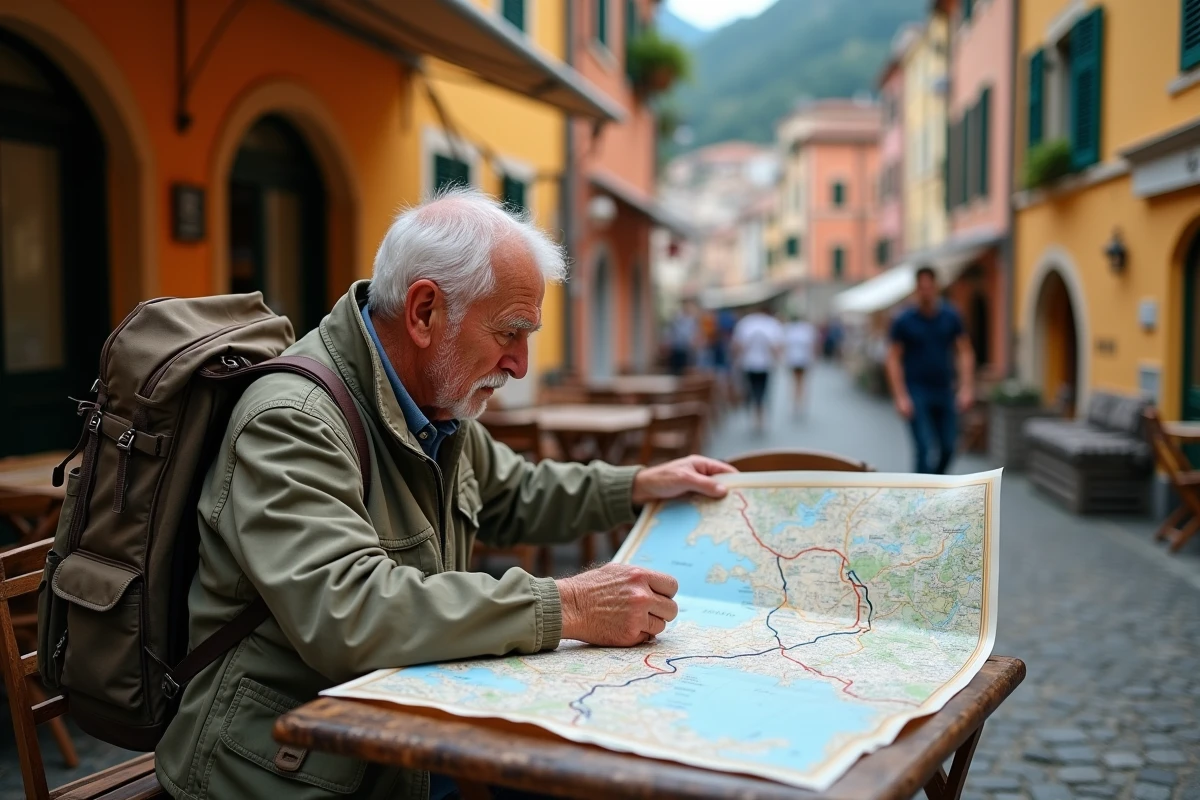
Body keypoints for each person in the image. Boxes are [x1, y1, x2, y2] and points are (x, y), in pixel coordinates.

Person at [155, 187, 736, 800]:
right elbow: (349, 612)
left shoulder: (431, 402)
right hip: (282, 769)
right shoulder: (293, 418)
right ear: (424, 311)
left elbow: (517, 491)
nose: (520, 364)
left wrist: (639, 485)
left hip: (392, 741)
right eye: (510, 332)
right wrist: (568, 606)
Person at [885, 266, 975, 474]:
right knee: (924, 448)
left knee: (949, 446)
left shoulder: (951, 316)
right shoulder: (904, 320)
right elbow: (893, 359)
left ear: (936, 287)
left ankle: (935, 483)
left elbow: (964, 351)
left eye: (929, 286)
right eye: (921, 287)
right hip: (916, 391)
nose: (926, 291)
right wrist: (900, 396)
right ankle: (922, 491)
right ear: (916, 289)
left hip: (944, 389)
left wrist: (966, 388)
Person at [732, 304, 784, 434]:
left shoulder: (745, 323)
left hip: (749, 364)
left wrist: (737, 360)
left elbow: (737, 345)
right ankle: (759, 417)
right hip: (765, 365)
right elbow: (777, 347)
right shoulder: (771, 324)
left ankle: (756, 416)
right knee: (762, 391)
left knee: (752, 390)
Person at [782, 312, 818, 416]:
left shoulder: (790, 329)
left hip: (795, 360)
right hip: (802, 360)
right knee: (800, 382)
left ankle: (796, 403)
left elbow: (785, 345)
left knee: (795, 382)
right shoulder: (807, 330)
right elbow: (812, 346)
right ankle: (799, 403)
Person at [665, 300, 701, 375]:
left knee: (687, 370)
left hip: (687, 349)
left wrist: (695, 343)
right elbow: (671, 333)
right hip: (677, 348)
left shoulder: (692, 320)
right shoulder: (677, 319)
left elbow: (694, 334)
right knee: (676, 371)